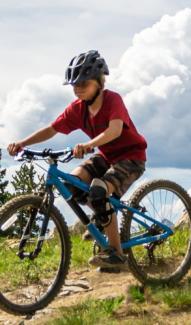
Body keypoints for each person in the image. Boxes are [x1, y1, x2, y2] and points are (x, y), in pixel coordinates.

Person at [7, 50, 148, 269]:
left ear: (99, 82)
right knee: (72, 183)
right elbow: (52, 129)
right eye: (74, 85)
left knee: (99, 191)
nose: (78, 89)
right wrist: (23, 143)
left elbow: (115, 130)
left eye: (84, 84)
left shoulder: (112, 100)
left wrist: (90, 145)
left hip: (131, 157)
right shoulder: (78, 109)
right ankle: (102, 220)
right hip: (106, 156)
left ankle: (116, 254)